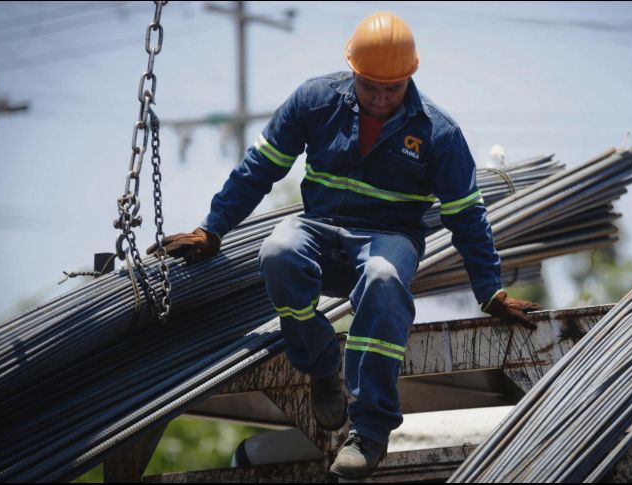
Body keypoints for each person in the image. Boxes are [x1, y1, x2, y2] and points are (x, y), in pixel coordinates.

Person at [148, 12, 541, 479]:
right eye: (369, 85)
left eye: (391, 89)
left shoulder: (439, 134)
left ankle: (370, 430)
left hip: (387, 241)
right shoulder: (315, 101)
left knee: (383, 278)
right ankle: (320, 363)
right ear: (353, 71)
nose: (379, 98)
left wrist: (488, 289)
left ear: (410, 76)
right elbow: (260, 168)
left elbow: (467, 217)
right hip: (319, 229)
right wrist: (213, 228)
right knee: (277, 252)